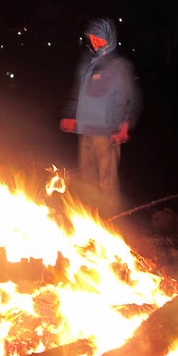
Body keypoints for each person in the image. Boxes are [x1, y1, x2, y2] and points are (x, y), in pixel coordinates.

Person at [59, 16, 143, 218]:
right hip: (84, 130)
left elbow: (130, 97)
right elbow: (78, 91)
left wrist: (125, 125)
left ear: (110, 38)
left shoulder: (118, 65)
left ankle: (108, 219)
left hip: (106, 133)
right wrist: (71, 114)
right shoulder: (88, 62)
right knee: (86, 179)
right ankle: (89, 219)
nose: (96, 42)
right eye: (93, 38)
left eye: (100, 38)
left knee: (107, 182)